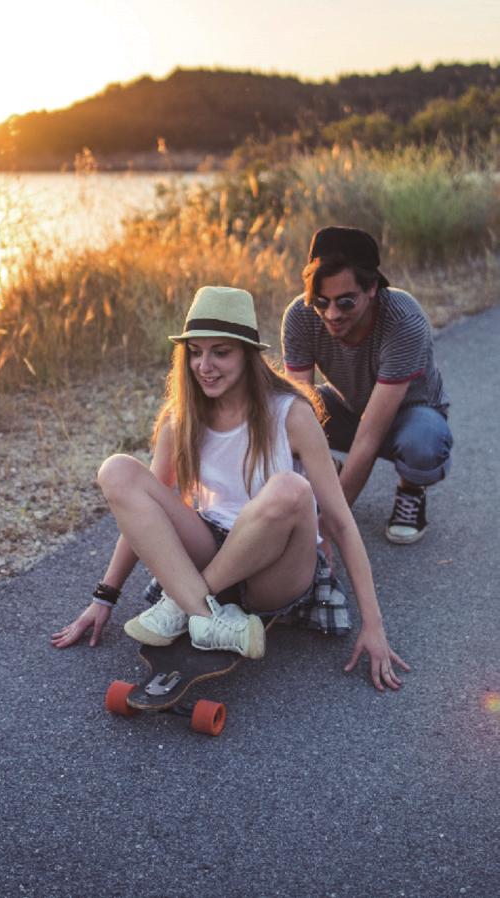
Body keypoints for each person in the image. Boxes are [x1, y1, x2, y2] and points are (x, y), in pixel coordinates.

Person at [51, 285, 409, 691]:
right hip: (211, 545)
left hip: (276, 566)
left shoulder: (291, 413)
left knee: (291, 488)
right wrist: (104, 598)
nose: (205, 365)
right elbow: (142, 514)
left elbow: (341, 523)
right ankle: (208, 616)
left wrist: (374, 626)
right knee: (118, 470)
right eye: (196, 352)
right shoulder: (179, 418)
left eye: (220, 352)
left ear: (248, 355)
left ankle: (187, 605)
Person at [282, 226, 452, 545]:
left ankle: (411, 490)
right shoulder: (300, 316)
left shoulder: (404, 321)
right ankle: (324, 471)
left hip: (411, 414)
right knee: (279, 410)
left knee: (423, 443)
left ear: (372, 287)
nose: (331, 314)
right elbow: (295, 411)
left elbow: (369, 438)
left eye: (346, 302)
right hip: (348, 406)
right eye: (321, 301)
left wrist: (332, 524)